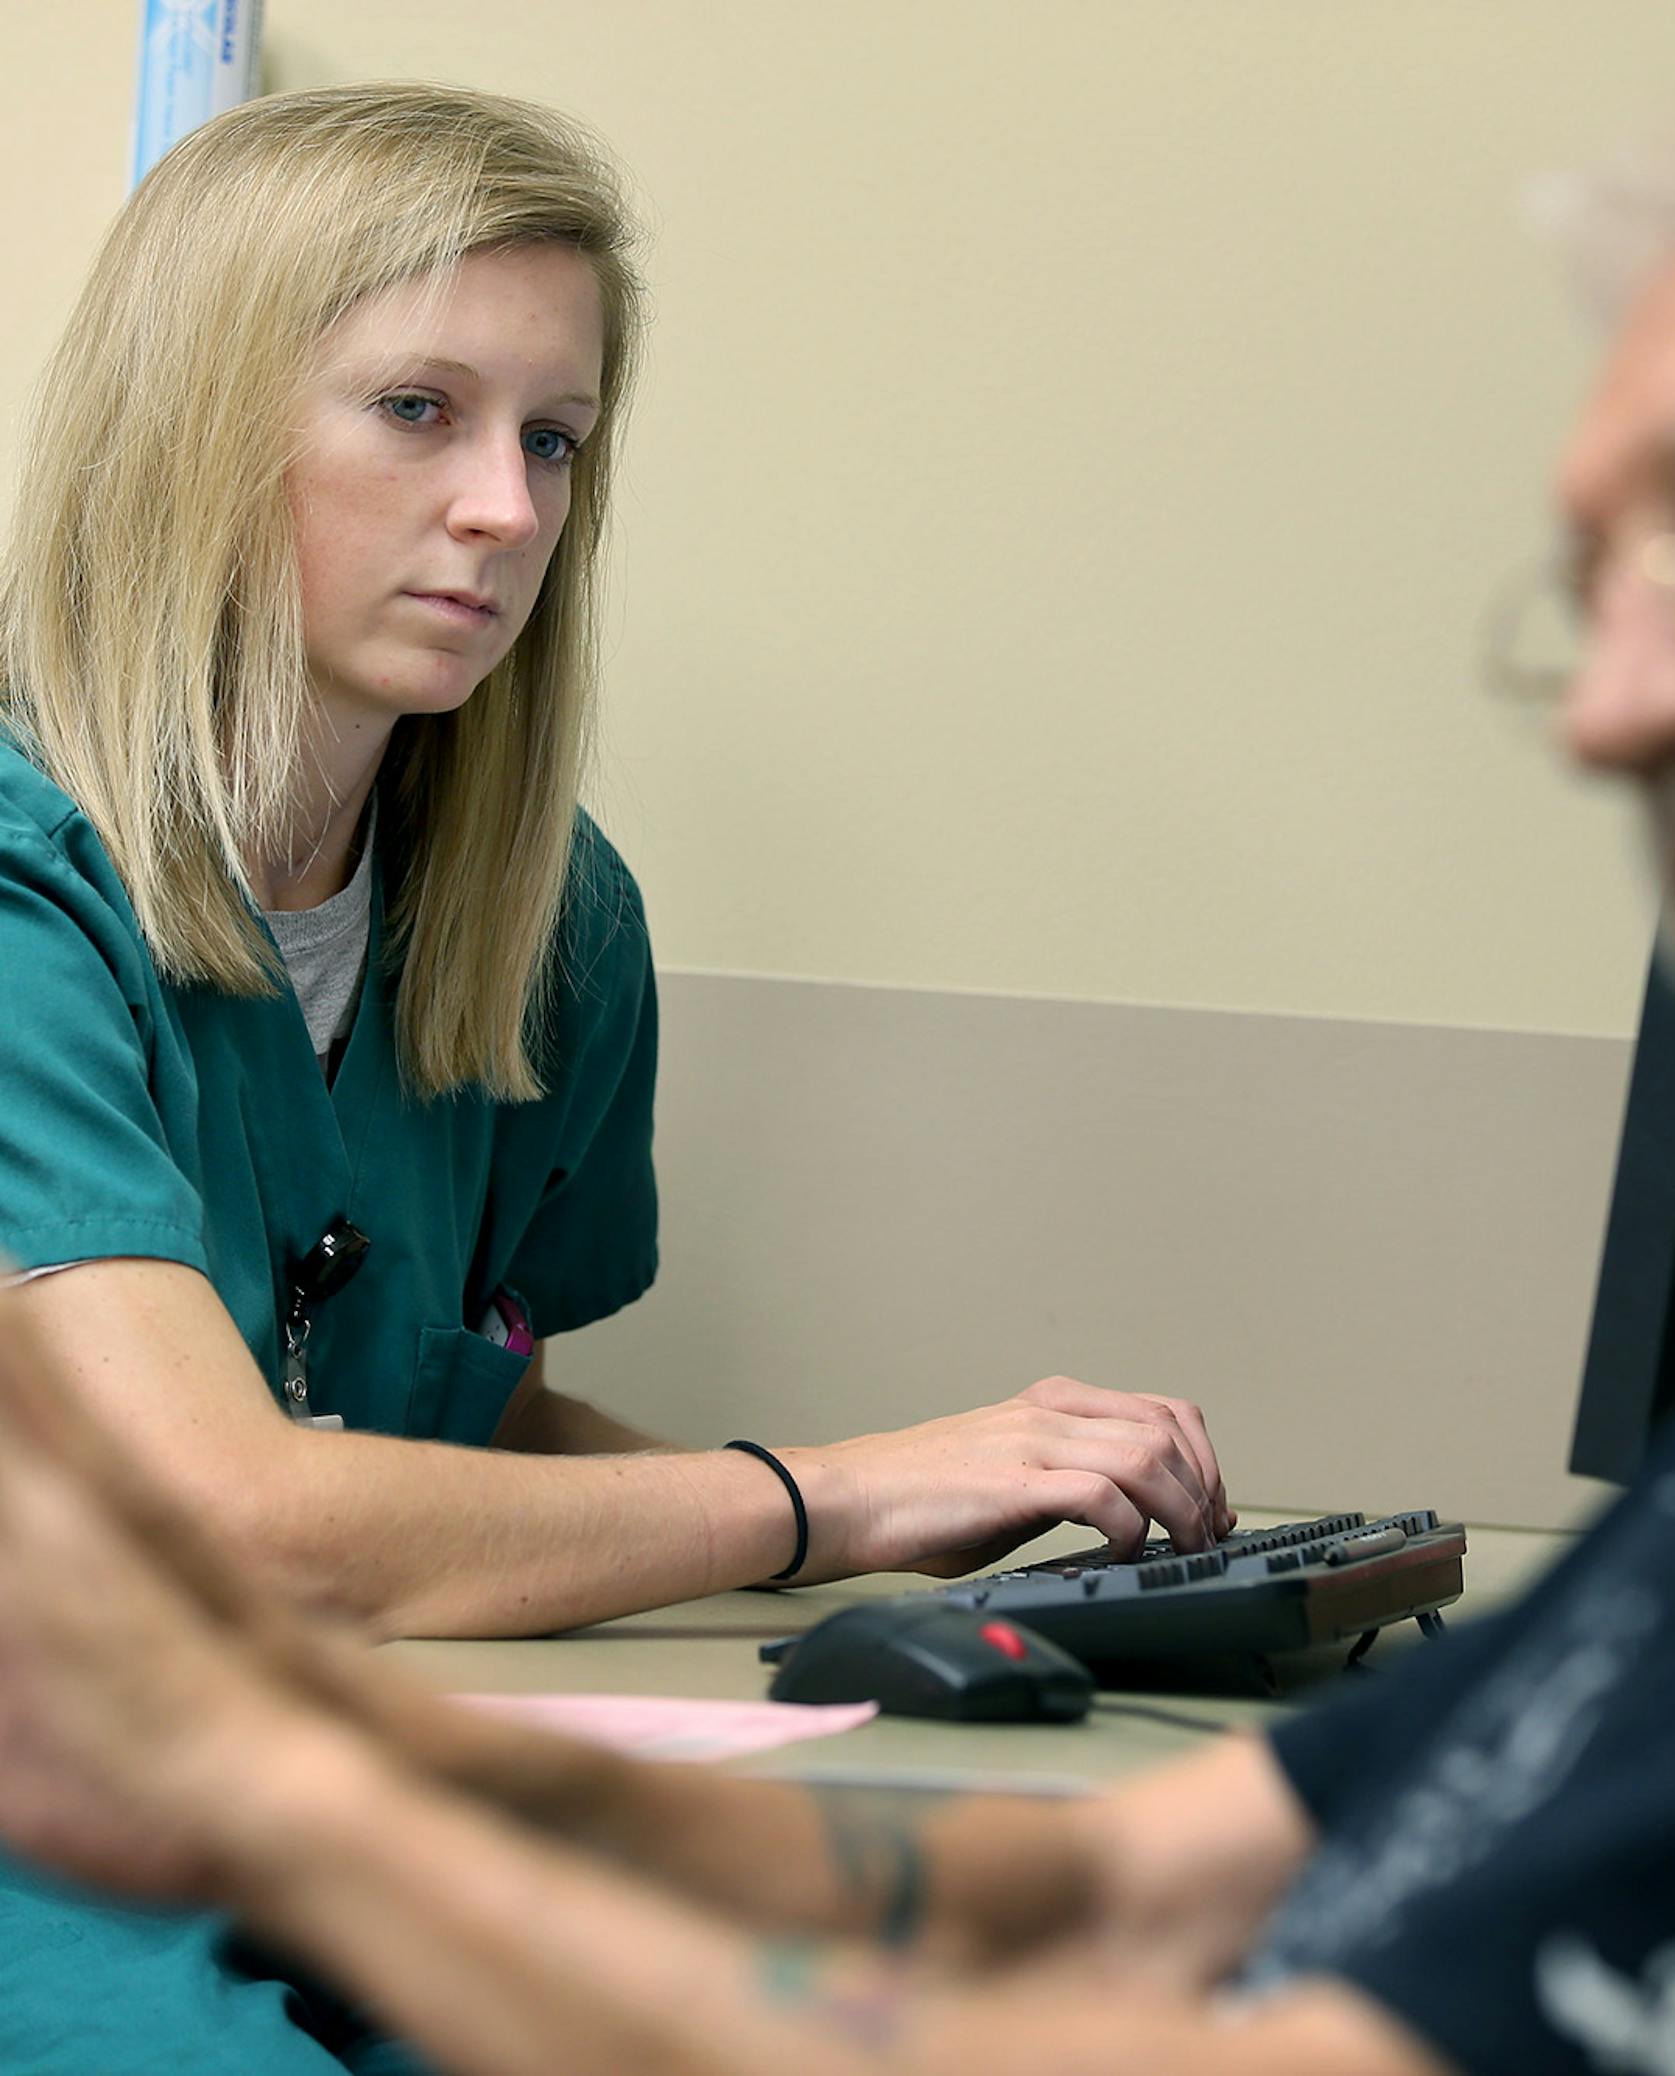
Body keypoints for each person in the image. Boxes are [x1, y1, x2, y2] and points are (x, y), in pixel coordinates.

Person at [4, 9, 1675, 2072]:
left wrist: (311, 1790)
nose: (1614, 715)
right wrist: (785, 1529)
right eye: (421, 413)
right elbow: (1123, 1890)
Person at [0, 76, 1230, 2076]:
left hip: (354, 1781)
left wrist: (919, 1538)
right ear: (198, 425)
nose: (509, 509)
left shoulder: (545, 924)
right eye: (419, 412)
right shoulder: (18, 886)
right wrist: (822, 1497)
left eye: (552, 439)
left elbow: (470, 1444)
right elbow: (230, 1518)